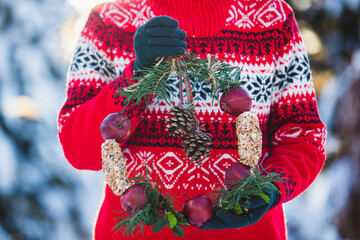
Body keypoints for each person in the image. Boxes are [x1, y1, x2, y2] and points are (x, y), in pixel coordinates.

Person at [57, 0, 327, 239]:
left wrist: (272, 188)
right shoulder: (109, 21)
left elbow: (302, 136)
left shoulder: (272, 20)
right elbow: (78, 148)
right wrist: (137, 74)